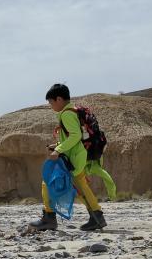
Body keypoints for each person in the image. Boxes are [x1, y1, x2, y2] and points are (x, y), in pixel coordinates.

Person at [30, 83, 107, 231]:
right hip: (78, 155)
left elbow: (75, 136)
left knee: (47, 182)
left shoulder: (66, 114)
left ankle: (49, 218)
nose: (51, 106)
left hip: (73, 157)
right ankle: (97, 216)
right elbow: (73, 137)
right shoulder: (73, 111)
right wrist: (58, 145)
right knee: (81, 186)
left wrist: (58, 150)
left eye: (51, 102)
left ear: (59, 99)